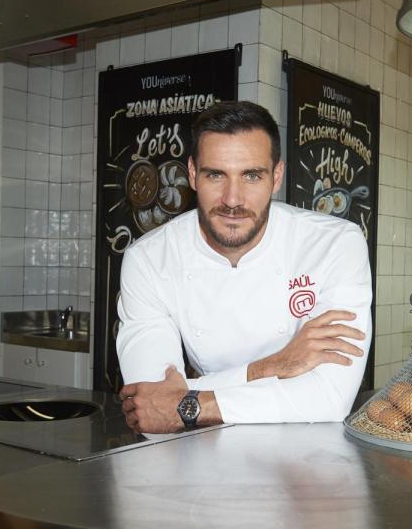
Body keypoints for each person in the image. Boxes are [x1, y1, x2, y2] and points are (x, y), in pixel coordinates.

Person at [117, 100, 373, 434]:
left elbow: (329, 397)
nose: (233, 199)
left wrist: (191, 404)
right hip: (202, 451)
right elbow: (150, 405)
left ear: (276, 176)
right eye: (215, 175)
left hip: (305, 467)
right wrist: (274, 366)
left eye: (251, 176)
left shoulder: (335, 244)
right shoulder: (149, 259)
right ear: (192, 174)